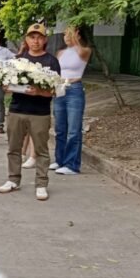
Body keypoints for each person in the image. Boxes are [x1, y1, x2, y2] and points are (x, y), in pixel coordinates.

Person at [0, 23, 60, 201]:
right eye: (32, 37)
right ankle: (13, 180)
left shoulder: (51, 61)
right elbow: (6, 84)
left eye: (39, 37)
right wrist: (6, 87)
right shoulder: (18, 60)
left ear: (45, 40)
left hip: (40, 113)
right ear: (26, 39)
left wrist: (39, 92)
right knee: (13, 148)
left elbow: (55, 90)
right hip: (17, 110)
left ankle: (41, 184)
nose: (36, 41)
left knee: (41, 150)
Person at [51, 26, 92, 175]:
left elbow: (81, 52)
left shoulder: (84, 50)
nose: (66, 37)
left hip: (74, 88)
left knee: (74, 129)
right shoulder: (61, 52)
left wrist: (75, 37)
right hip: (60, 88)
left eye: (69, 34)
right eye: (65, 34)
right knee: (60, 128)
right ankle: (60, 159)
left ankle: (72, 164)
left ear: (78, 35)